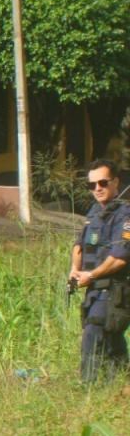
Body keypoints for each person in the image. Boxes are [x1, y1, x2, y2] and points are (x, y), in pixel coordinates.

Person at [69, 159, 130, 383]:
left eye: (103, 182)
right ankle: (121, 386)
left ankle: (88, 389)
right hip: (93, 290)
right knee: (112, 343)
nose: (97, 188)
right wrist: (75, 270)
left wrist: (91, 275)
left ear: (116, 183)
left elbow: (120, 258)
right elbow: (79, 245)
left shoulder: (125, 216)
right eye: (92, 185)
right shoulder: (93, 213)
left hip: (115, 290)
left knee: (94, 333)